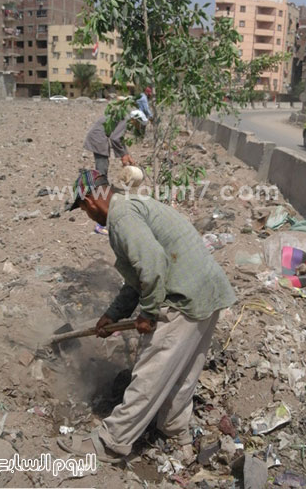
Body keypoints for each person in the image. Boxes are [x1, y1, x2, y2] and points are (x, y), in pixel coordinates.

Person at [59, 169, 236, 464]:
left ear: (89, 202)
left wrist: (150, 313)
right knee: (183, 371)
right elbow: (138, 278)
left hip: (182, 297)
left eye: (83, 210)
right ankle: (175, 430)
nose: (88, 216)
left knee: (150, 373)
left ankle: (110, 443)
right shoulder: (132, 205)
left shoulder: (122, 217)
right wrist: (113, 314)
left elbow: (152, 265)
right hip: (206, 290)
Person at [83, 110, 147, 186]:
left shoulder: (124, 116)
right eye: (138, 124)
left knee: (103, 162)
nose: (137, 126)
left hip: (100, 136)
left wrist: (127, 155)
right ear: (135, 120)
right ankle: (100, 186)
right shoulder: (126, 119)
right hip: (98, 137)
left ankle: (101, 185)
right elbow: (115, 138)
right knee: (102, 163)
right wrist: (123, 155)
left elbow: (120, 139)